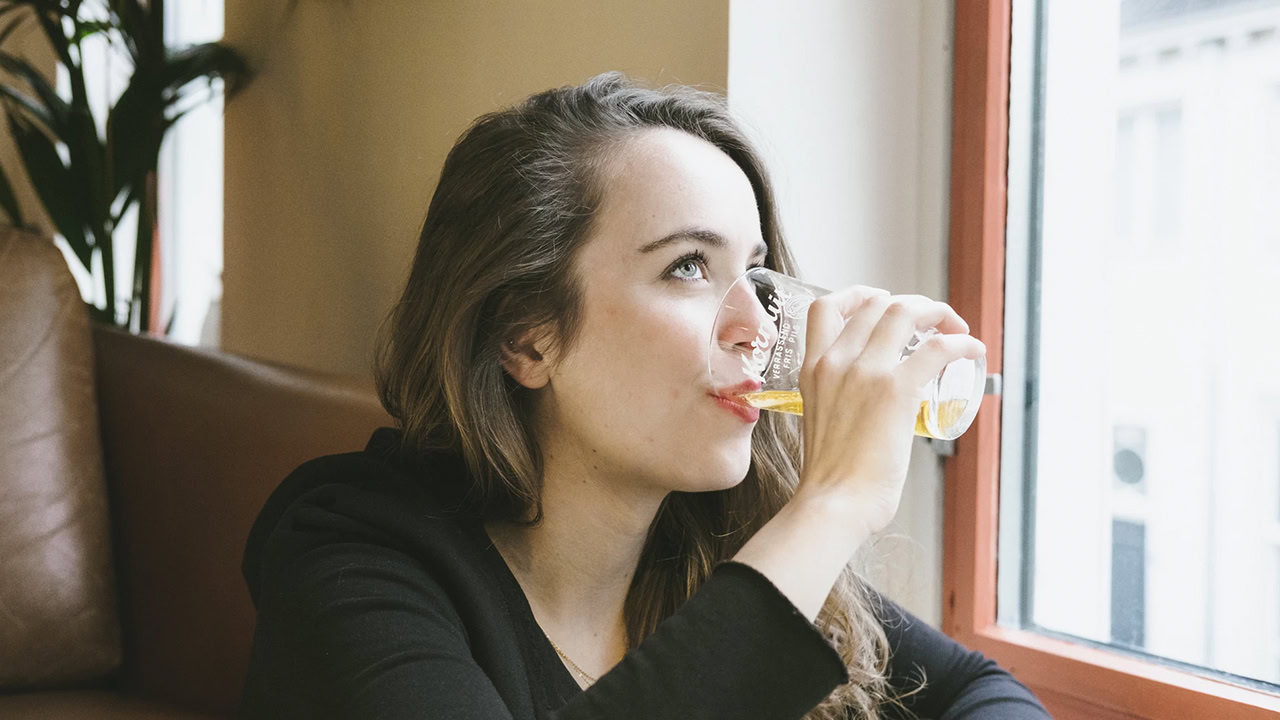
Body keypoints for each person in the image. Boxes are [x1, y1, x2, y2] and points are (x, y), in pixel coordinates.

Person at [237, 71, 1051, 720]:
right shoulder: (346, 558)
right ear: (527, 339)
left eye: (757, 276)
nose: (757, 330)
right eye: (688, 267)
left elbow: (981, 692)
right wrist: (831, 503)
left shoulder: (708, 541)